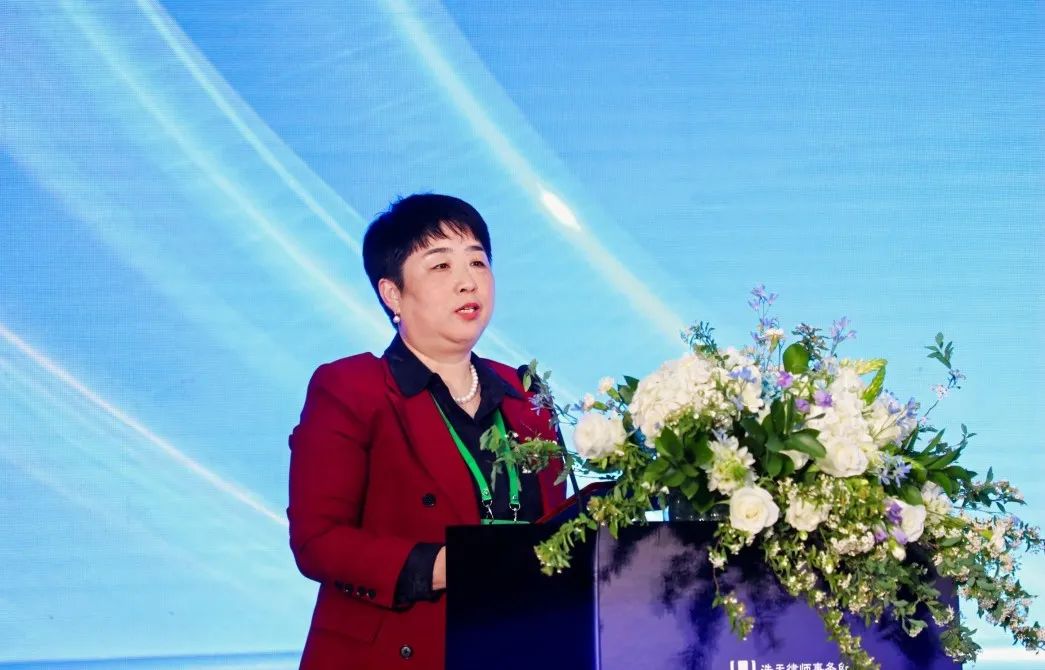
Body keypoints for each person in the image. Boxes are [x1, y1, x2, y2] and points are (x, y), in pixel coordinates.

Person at [287, 194, 566, 669]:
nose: (467, 281)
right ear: (392, 294)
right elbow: (319, 540)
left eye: (477, 261)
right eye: (440, 266)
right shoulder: (352, 388)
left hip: (517, 645)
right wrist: (445, 566)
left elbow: (557, 528)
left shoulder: (525, 395)